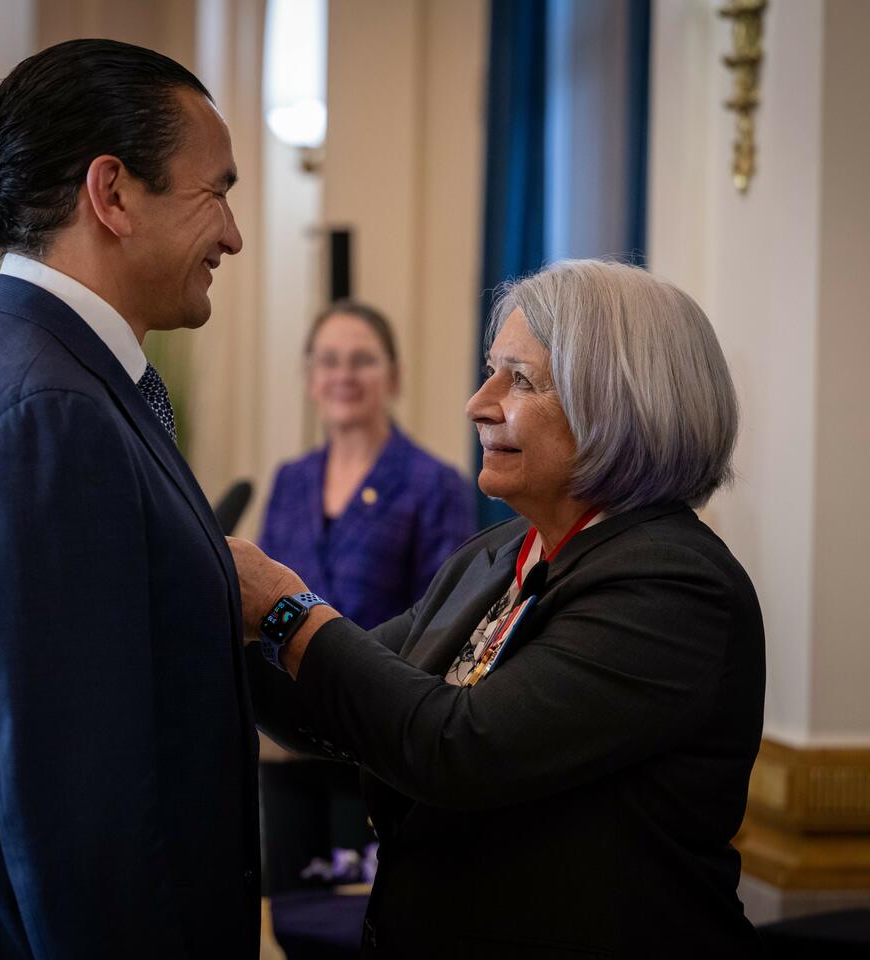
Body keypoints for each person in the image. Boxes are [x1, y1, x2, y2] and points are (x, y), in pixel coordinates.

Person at [231, 260, 766, 957]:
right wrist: (230, 628)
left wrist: (282, 610)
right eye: (492, 371)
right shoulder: (499, 554)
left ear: (617, 400)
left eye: (519, 379)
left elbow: (458, 746)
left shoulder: (673, 585)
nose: (478, 403)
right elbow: (350, 696)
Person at [0, 40, 259, 959]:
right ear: (111, 194)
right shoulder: (48, 410)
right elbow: (78, 809)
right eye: (216, 193)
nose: (232, 235)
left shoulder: (21, 364)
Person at [256, 301, 474, 892]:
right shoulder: (290, 480)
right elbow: (261, 608)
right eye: (328, 361)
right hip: (289, 745)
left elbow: (441, 626)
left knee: (362, 925)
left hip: (377, 752)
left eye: (362, 361)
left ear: (394, 376)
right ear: (310, 378)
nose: (344, 375)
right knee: (296, 916)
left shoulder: (435, 484)